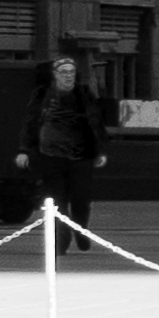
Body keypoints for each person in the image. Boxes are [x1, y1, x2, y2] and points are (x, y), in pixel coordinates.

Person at [23, 51, 103, 251]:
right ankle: (61, 241)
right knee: (57, 202)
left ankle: (81, 230)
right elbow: (31, 123)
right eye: (64, 72)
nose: (69, 75)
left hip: (80, 156)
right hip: (51, 156)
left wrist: (99, 150)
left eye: (72, 72)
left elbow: (96, 123)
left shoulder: (83, 94)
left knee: (81, 199)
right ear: (55, 75)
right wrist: (24, 150)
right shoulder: (43, 95)